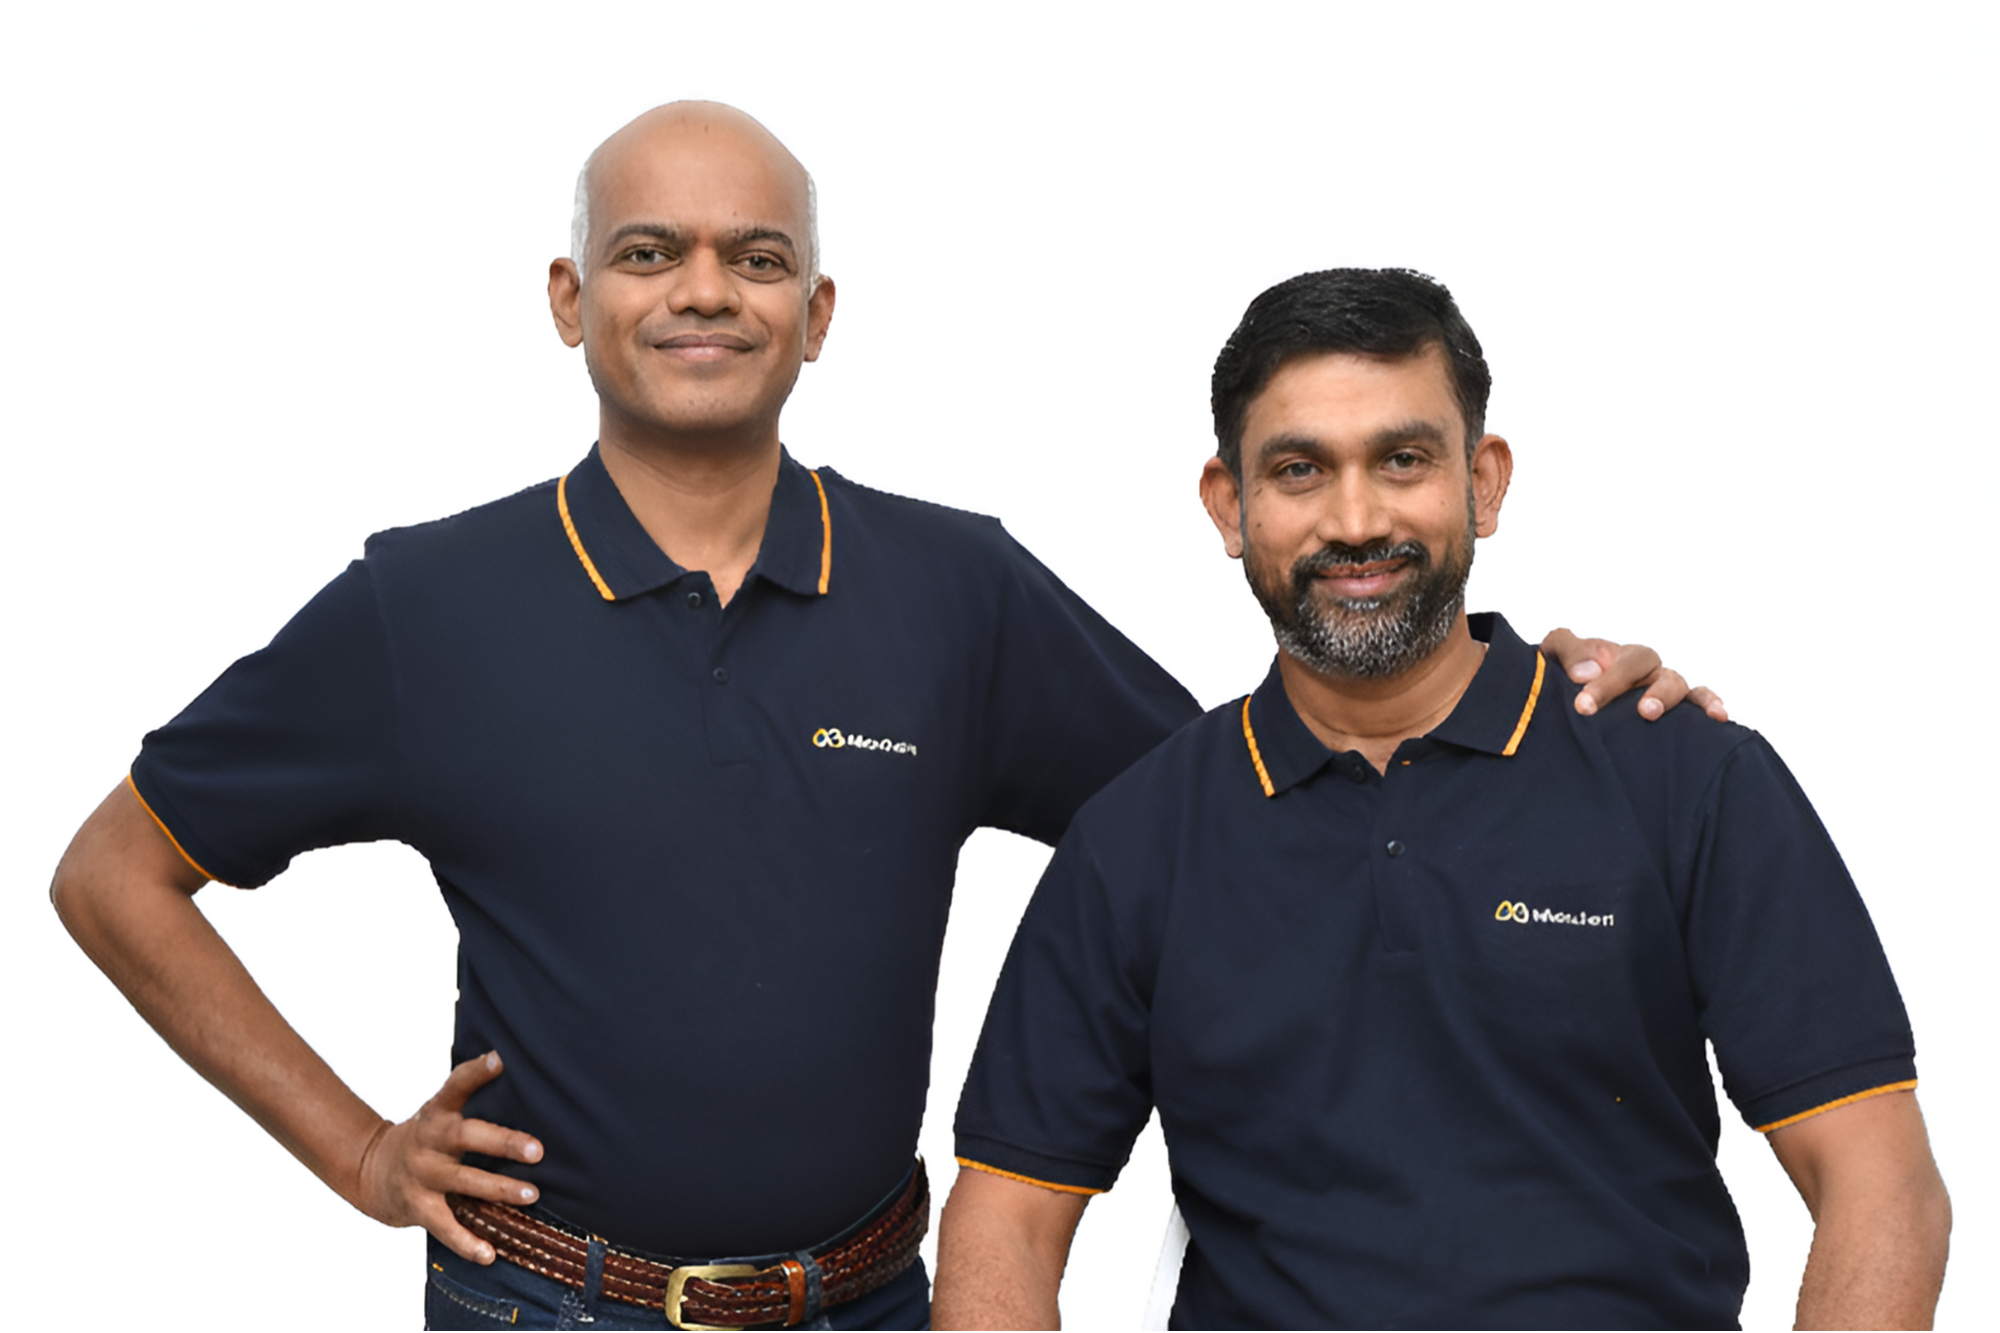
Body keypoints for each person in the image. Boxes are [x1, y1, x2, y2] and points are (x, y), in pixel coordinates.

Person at [49, 108, 1709, 1332]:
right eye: (651, 252)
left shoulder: (952, 590)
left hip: (871, 1301)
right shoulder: (429, 605)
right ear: (568, 297)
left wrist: (1515, 680)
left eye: (758, 257)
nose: (708, 290)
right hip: (547, 1303)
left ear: (819, 312)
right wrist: (357, 1152)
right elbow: (114, 872)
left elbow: (1255, 796)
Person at [934, 268, 1950, 1330]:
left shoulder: (1682, 777)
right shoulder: (1136, 837)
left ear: (1484, 482)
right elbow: (1004, 1225)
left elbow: (1881, 1187)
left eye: (1402, 459)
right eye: (1298, 470)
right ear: (1229, 505)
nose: (1355, 518)